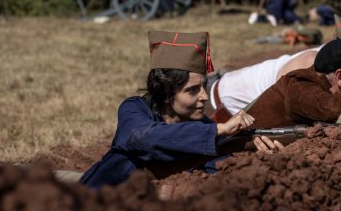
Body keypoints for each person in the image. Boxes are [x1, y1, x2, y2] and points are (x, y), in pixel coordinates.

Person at [80, 31, 281, 188]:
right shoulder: (135, 108)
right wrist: (220, 130)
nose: (204, 95)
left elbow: (219, 172)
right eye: (193, 90)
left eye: (204, 86)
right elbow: (141, 138)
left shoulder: (203, 127)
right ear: (166, 94)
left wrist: (259, 160)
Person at [245, 39, 341, 128]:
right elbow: (329, 109)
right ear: (340, 77)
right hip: (231, 155)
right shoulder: (300, 85)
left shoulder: (321, 85)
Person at [208, 44, 323, 122]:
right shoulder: (309, 64)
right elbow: (281, 111)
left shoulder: (329, 54)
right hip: (221, 106)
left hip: (230, 89)